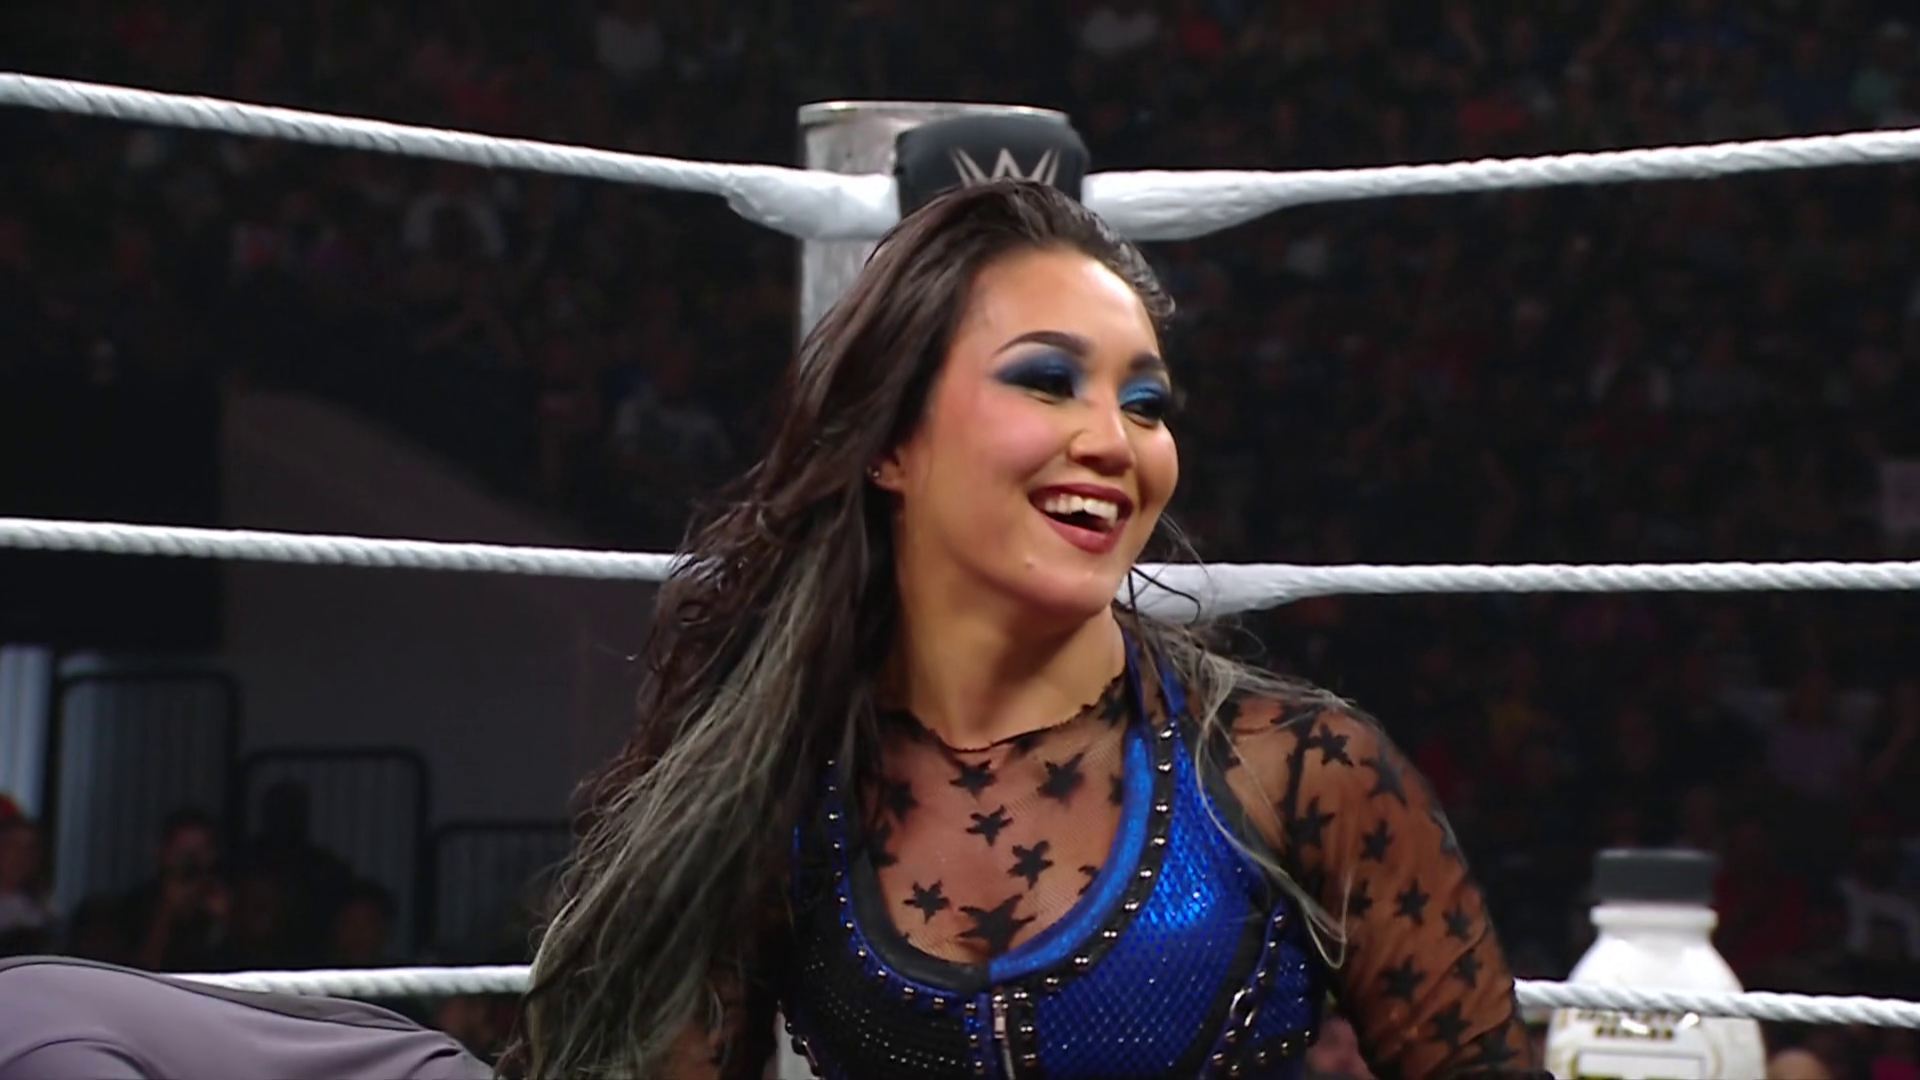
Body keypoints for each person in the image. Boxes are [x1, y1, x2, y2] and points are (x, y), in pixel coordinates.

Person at [0, 182, 1539, 1080]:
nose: (1117, 439)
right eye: (1048, 380)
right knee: (46, 1020)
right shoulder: (784, 781)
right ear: (894, 443)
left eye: (1147, 401)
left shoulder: (1298, 769)